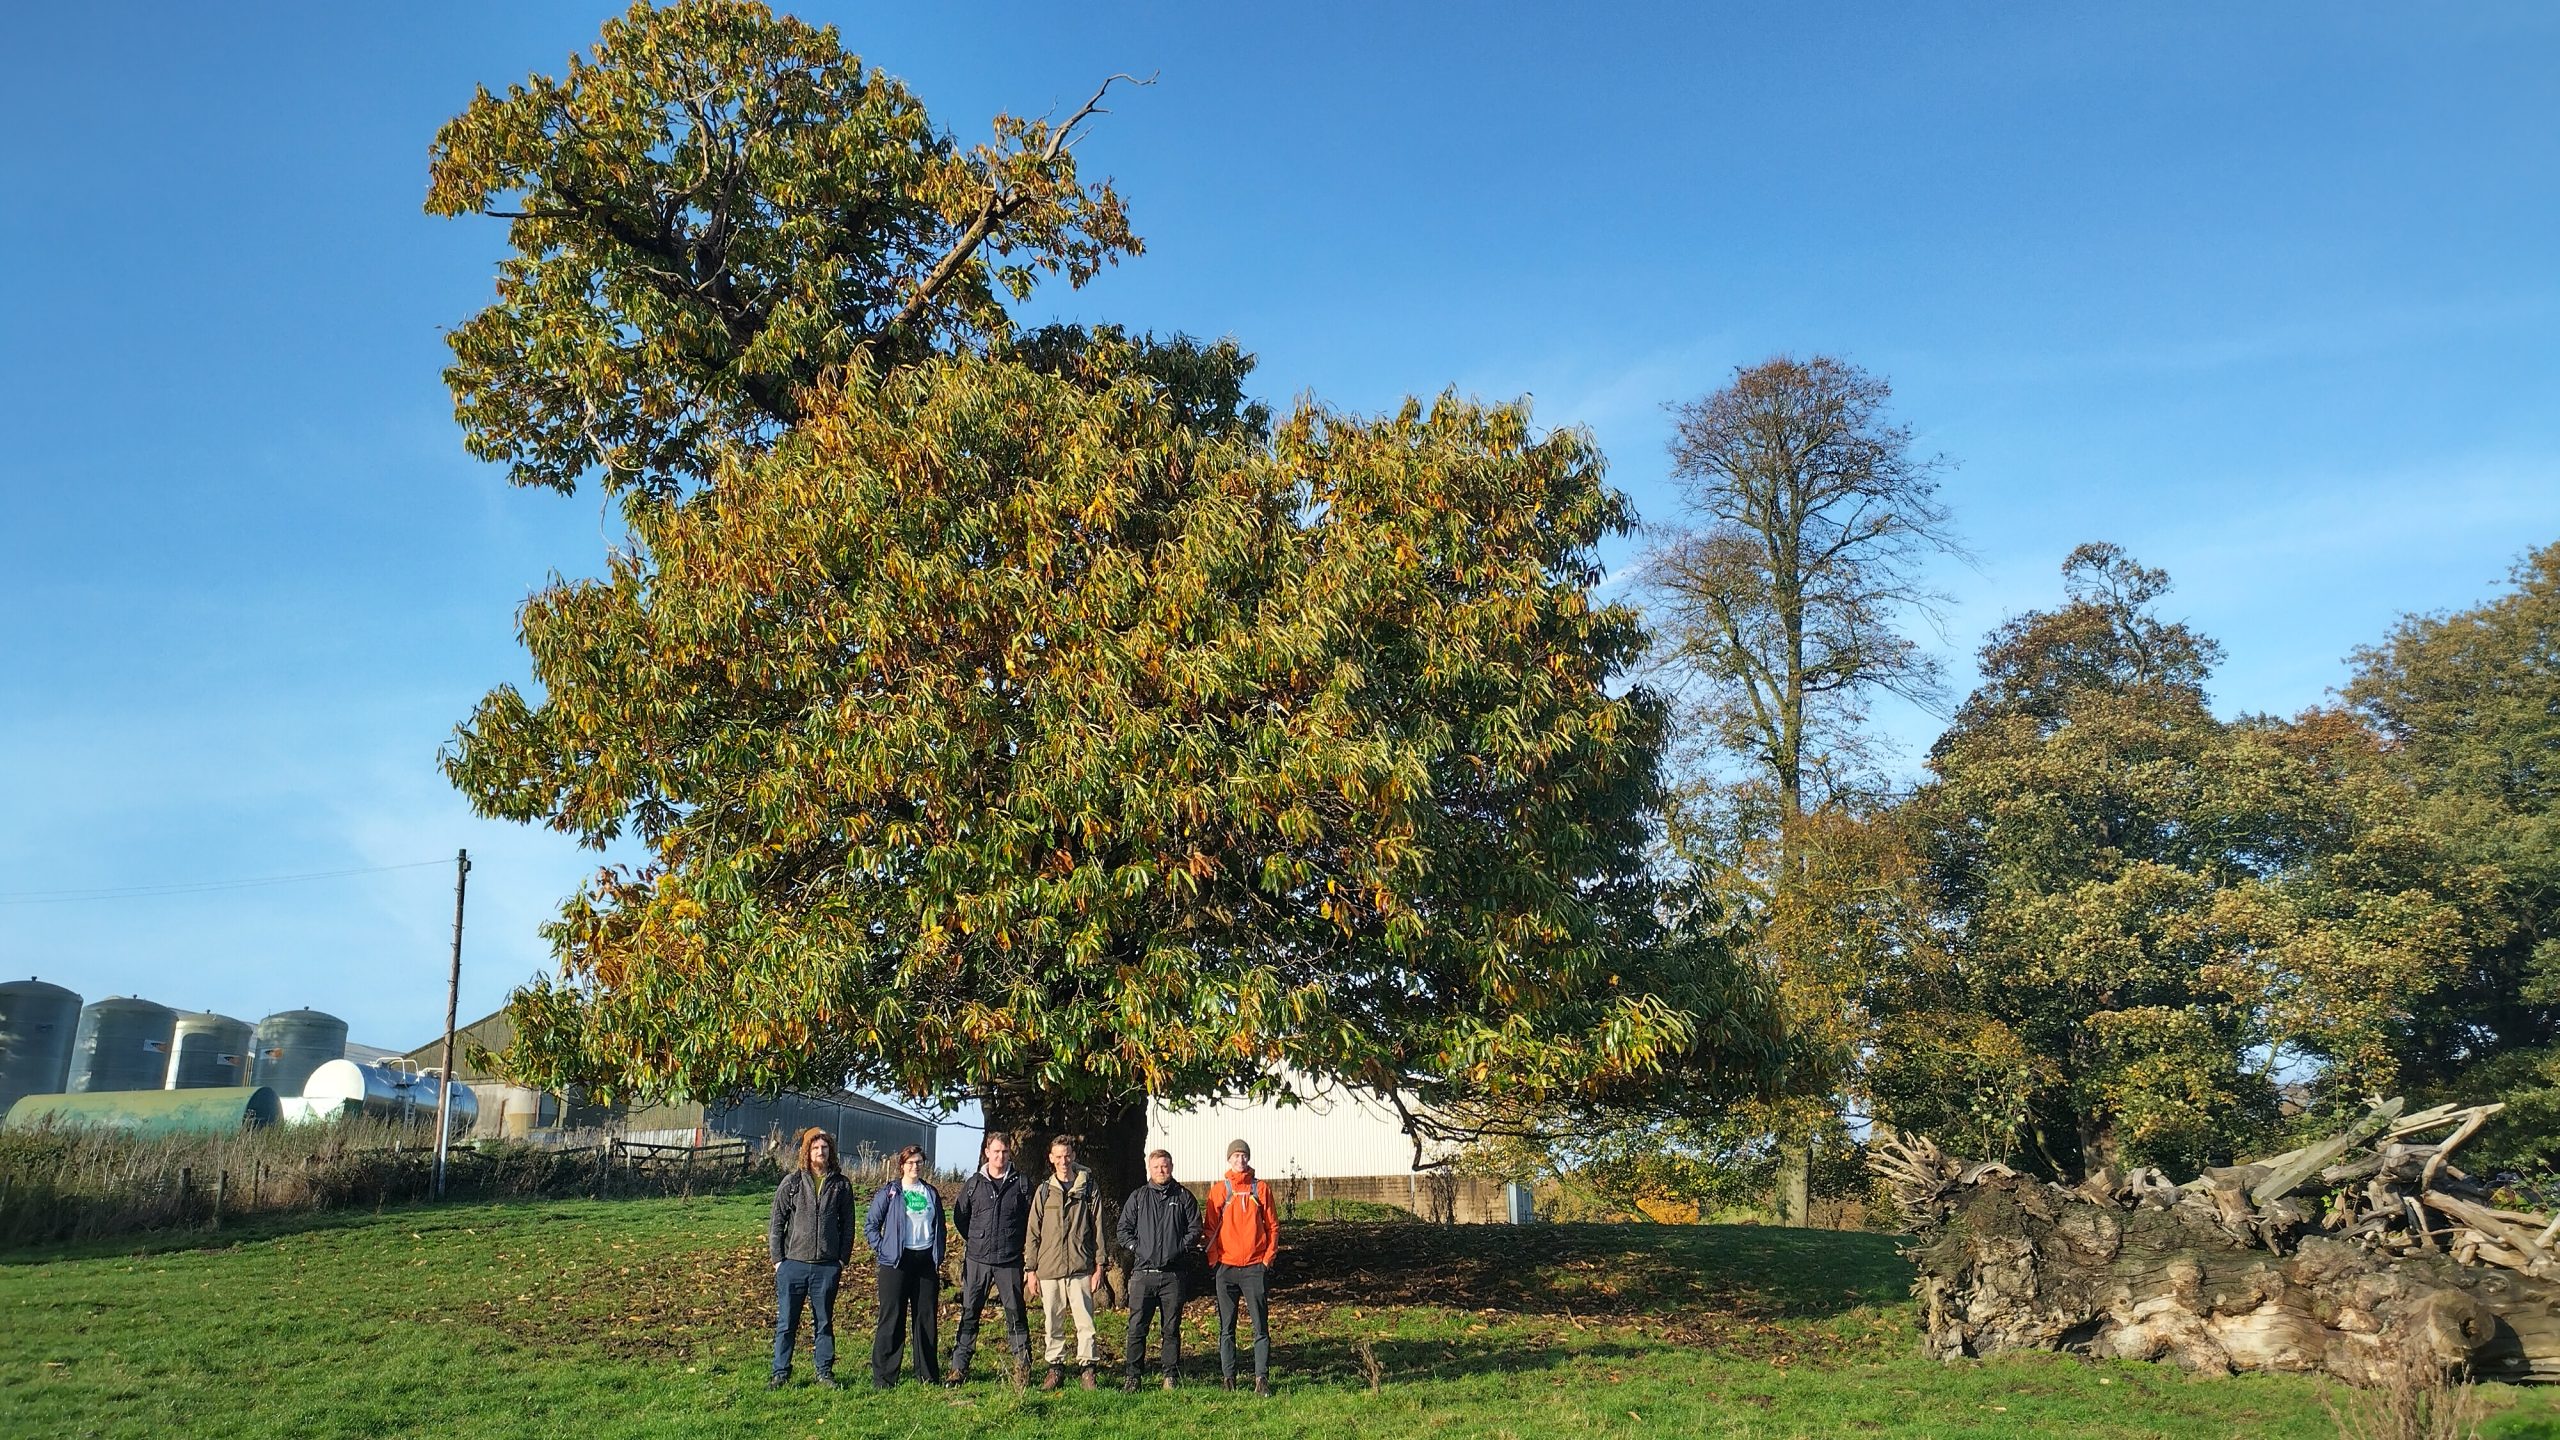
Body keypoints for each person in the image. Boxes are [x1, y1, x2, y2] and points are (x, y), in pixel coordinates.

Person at [767, 1126, 854, 1389]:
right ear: (807, 1151)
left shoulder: (841, 1184)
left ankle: (824, 1373)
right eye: (815, 1147)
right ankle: (780, 1372)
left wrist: (841, 1260)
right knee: (786, 1323)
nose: (821, 1151)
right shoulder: (791, 1183)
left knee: (824, 1322)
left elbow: (848, 1224)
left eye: (825, 1147)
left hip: (826, 1267)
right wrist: (778, 1260)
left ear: (831, 1151)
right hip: (793, 1264)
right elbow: (777, 1222)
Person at [945, 1132, 1033, 1385]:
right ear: (987, 1152)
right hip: (977, 1260)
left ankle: (1022, 1369)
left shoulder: (1022, 1184)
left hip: (1009, 1261)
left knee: (1016, 1313)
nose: (1000, 1156)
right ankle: (958, 1367)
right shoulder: (974, 1184)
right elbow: (961, 1217)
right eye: (996, 1151)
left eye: (1004, 1152)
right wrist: (977, 1240)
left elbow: (1031, 1221)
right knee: (970, 1312)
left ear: (1010, 1153)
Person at [1023, 1135, 1107, 1391]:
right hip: (1049, 1269)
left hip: (1081, 1266)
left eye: (1067, 1155)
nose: (1063, 1160)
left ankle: (1087, 1369)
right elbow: (1033, 1233)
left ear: (1073, 1156)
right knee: (1052, 1322)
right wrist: (1031, 1269)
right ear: (1051, 1158)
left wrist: (1100, 1266)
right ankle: (1055, 1368)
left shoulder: (1088, 1188)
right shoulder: (1044, 1191)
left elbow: (1098, 1228)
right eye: (1058, 1156)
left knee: (1085, 1323)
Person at [1117, 1147, 1201, 1391]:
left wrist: (1179, 1249)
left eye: (1164, 1166)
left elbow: (1195, 1230)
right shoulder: (1138, 1197)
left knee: (1171, 1328)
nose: (1161, 1170)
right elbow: (1123, 1231)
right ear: (1149, 1169)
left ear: (1171, 1167)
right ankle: (1133, 1376)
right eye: (1156, 1167)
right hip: (1143, 1274)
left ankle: (1170, 1375)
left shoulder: (1184, 1197)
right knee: (1136, 1328)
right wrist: (1138, 1248)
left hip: (1173, 1275)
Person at [864, 1143, 947, 1387]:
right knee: (892, 1319)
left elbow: (939, 1226)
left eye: (919, 1162)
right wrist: (883, 1248)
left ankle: (928, 1376)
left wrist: (937, 1254)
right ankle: (885, 1378)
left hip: (925, 1263)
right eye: (910, 1162)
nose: (915, 1166)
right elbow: (871, 1225)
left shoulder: (930, 1193)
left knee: (926, 1320)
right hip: (896, 1263)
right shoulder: (891, 1192)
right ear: (902, 1165)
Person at [1203, 1137, 1279, 1395]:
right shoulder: (1218, 1191)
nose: (1240, 1159)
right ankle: (1228, 1378)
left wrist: (1267, 1259)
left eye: (1244, 1155)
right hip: (1226, 1268)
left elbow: (1273, 1227)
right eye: (1235, 1156)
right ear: (1229, 1159)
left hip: (1255, 1268)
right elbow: (1209, 1229)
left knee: (1260, 1326)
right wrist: (1214, 1261)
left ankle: (1261, 1379)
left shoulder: (1262, 1189)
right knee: (1227, 1327)